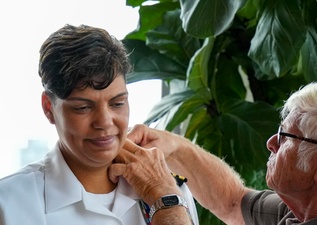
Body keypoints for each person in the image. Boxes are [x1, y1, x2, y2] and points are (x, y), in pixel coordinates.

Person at [0, 24, 198, 225]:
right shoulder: (9, 203)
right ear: (49, 108)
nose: (104, 122)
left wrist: (166, 198)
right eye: (83, 108)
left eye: (117, 103)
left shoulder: (171, 189)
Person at [111, 81, 317, 225]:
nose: (271, 142)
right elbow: (232, 201)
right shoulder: (312, 209)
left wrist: (163, 195)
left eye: (286, 136)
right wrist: (175, 147)